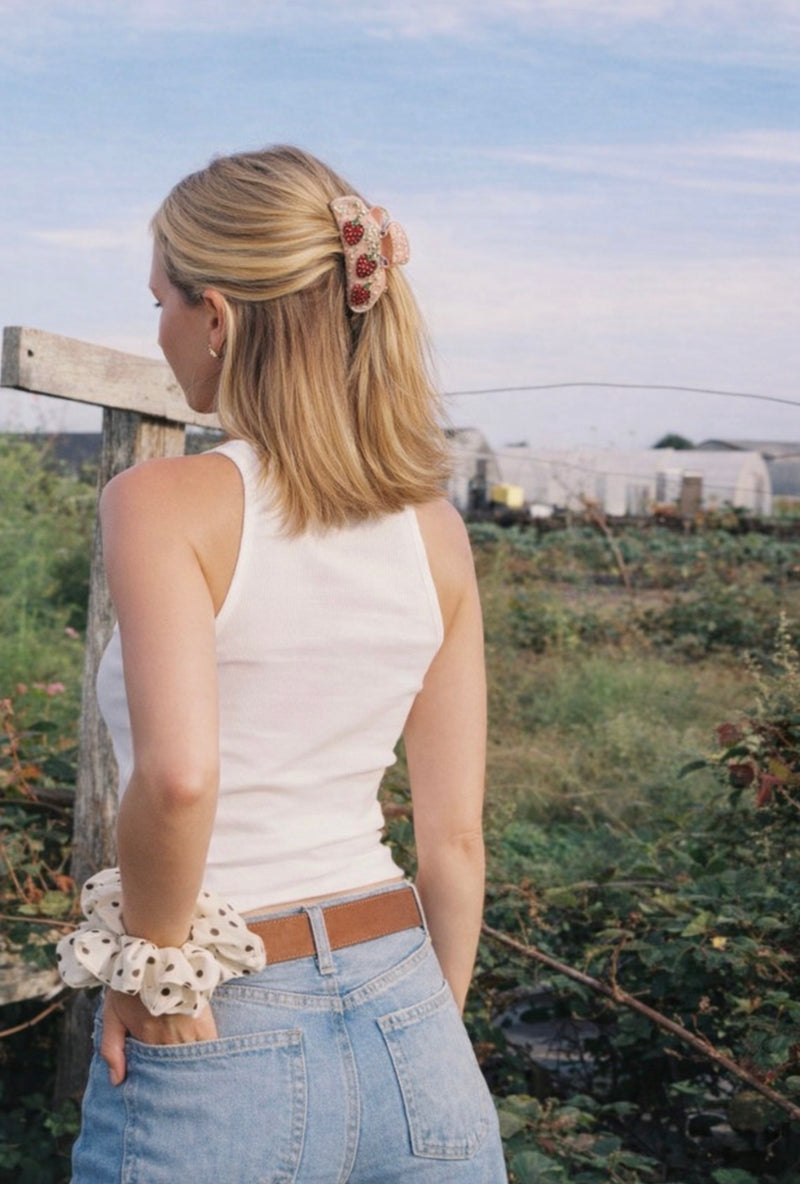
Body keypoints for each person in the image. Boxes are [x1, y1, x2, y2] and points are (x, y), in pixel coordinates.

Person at [57, 144, 507, 1182]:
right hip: (411, 1002)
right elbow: (452, 837)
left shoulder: (162, 500)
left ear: (214, 316)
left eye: (162, 300)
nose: (160, 328)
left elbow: (180, 777)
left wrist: (154, 968)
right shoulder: (433, 527)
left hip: (220, 1003)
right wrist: (428, 1035)